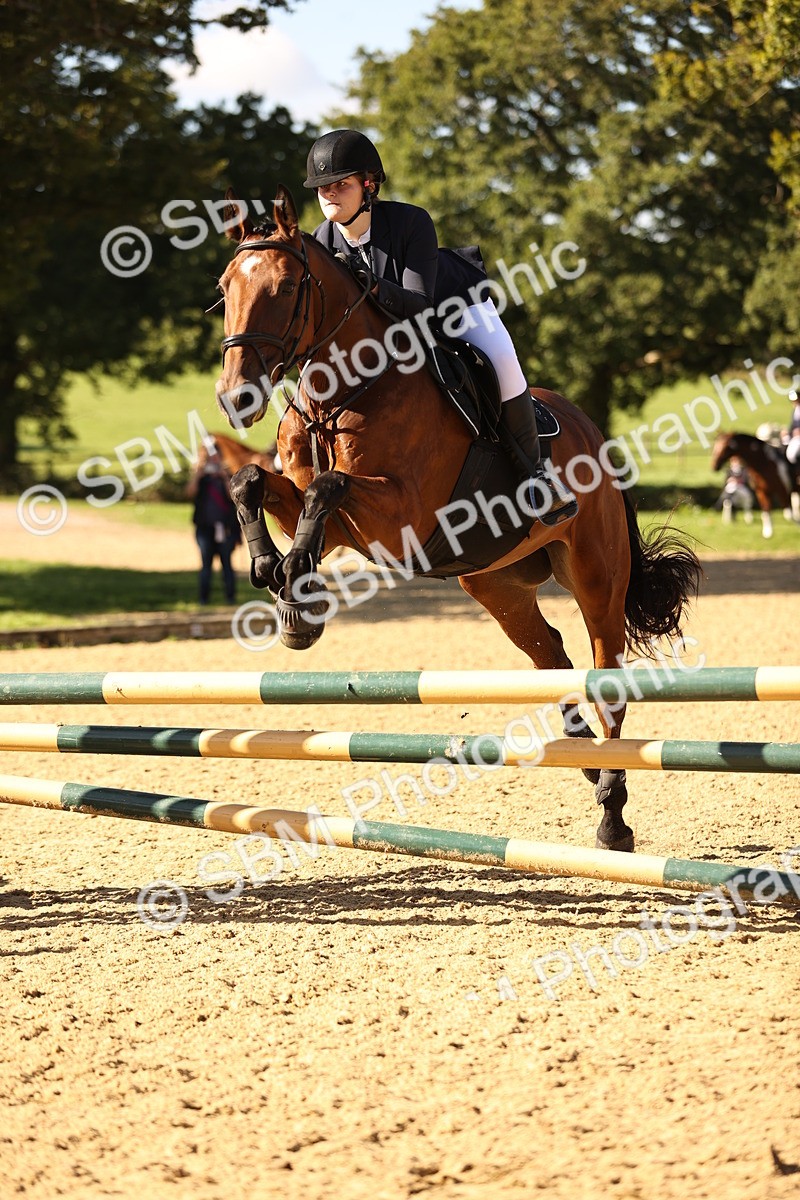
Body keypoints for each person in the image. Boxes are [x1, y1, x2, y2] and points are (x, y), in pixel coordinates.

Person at [302, 128, 577, 526]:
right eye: (322, 187)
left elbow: (420, 305)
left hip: (454, 308)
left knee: (501, 359)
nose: (329, 194)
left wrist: (371, 284)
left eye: (341, 184)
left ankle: (535, 477)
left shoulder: (411, 221)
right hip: (389, 334)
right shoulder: (321, 242)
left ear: (369, 185)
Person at [186, 438, 241, 605]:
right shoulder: (201, 476)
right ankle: (203, 599)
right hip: (205, 527)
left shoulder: (227, 474)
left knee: (227, 565)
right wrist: (199, 475)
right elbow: (189, 493)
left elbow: (234, 497)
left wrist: (224, 477)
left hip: (226, 527)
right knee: (206, 565)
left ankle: (230, 598)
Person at [714, 455, 755, 524]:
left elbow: (746, 480)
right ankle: (719, 507)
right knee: (727, 494)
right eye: (733, 461)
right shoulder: (729, 471)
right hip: (731, 490)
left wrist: (737, 481)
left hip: (741, 489)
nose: (735, 463)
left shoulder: (744, 470)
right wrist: (729, 480)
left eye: (736, 461)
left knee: (746, 496)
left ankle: (747, 514)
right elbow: (725, 482)